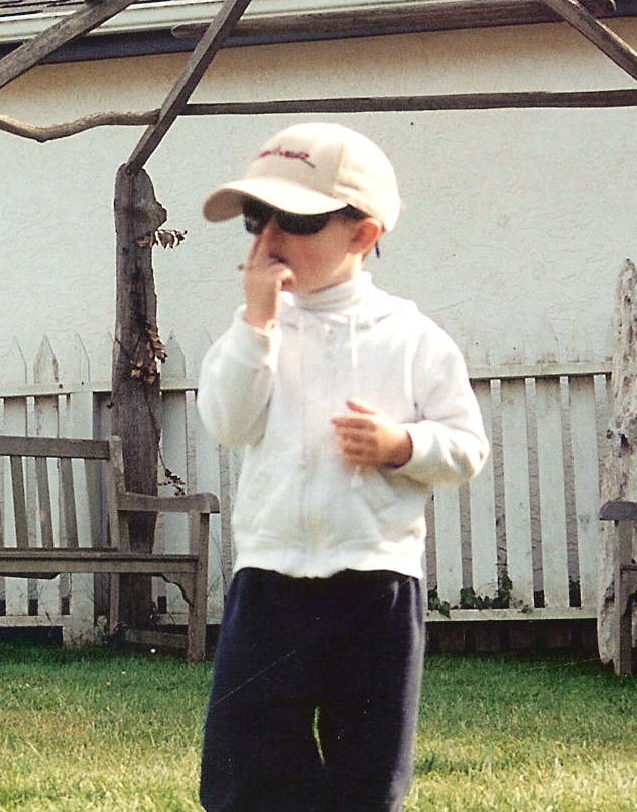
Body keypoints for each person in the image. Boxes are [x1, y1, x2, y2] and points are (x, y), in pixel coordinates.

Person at [196, 121, 489, 812]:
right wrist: (256, 326)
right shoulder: (252, 331)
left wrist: (401, 447)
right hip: (271, 578)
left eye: (293, 220)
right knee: (251, 764)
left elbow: (467, 447)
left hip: (374, 581)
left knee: (368, 770)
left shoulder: (413, 338)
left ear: (361, 234)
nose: (268, 239)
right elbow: (228, 422)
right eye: (254, 219)